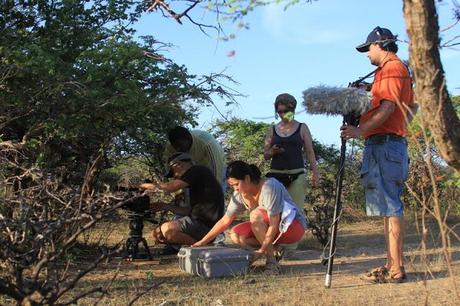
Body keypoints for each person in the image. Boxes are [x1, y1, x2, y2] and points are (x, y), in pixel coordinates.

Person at [341, 26, 418, 283]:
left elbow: (386, 108)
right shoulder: (390, 72)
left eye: (369, 48)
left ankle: (397, 269)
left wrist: (359, 129)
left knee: (392, 207)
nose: (366, 54)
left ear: (381, 45)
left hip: (386, 145)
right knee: (386, 208)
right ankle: (391, 264)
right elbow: (410, 106)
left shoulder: (392, 69)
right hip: (384, 143)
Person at [193, 161, 308, 275]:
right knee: (236, 234)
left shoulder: (269, 187)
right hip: (275, 229)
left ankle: (272, 262)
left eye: (236, 184)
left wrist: (262, 250)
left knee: (255, 215)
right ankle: (273, 250)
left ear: (247, 178)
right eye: (232, 186)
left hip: (292, 227)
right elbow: (225, 221)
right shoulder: (239, 195)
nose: (235, 189)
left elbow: (274, 223)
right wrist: (203, 242)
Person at [140, 152, 225, 253]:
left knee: (168, 230)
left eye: (173, 172)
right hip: (198, 222)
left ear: (178, 164)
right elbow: (188, 211)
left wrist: (144, 185)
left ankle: (203, 249)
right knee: (157, 234)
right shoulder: (196, 183)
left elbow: (170, 187)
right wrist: (165, 206)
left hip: (206, 224)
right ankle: (200, 245)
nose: (175, 176)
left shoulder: (197, 170)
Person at [263, 93, 320, 214]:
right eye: (280, 111)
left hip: (297, 175)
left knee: (294, 212)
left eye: (286, 111)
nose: (283, 114)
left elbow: (310, 151)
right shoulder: (272, 130)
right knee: (273, 213)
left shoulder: (302, 127)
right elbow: (266, 155)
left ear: (293, 109)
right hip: (275, 176)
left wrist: (315, 173)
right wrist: (272, 151)